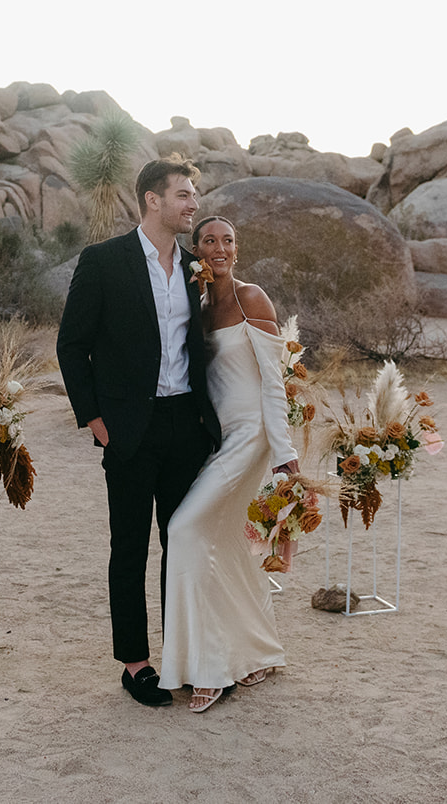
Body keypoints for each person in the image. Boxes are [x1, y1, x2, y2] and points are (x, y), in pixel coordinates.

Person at [56, 159, 222, 708]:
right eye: (183, 195)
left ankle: (180, 654)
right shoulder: (104, 261)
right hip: (127, 429)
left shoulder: (198, 267)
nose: (192, 205)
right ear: (152, 200)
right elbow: (71, 346)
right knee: (129, 547)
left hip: (186, 426)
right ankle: (136, 664)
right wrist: (95, 421)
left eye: (193, 194)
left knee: (184, 545)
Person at [158, 214, 300, 712]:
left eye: (228, 240)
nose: (220, 247)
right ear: (197, 250)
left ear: (237, 249)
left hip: (253, 436)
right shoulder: (196, 308)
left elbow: (273, 382)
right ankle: (258, 649)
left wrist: (285, 455)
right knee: (223, 541)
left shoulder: (252, 298)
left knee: (184, 528)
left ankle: (212, 667)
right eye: (210, 241)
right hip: (218, 441)